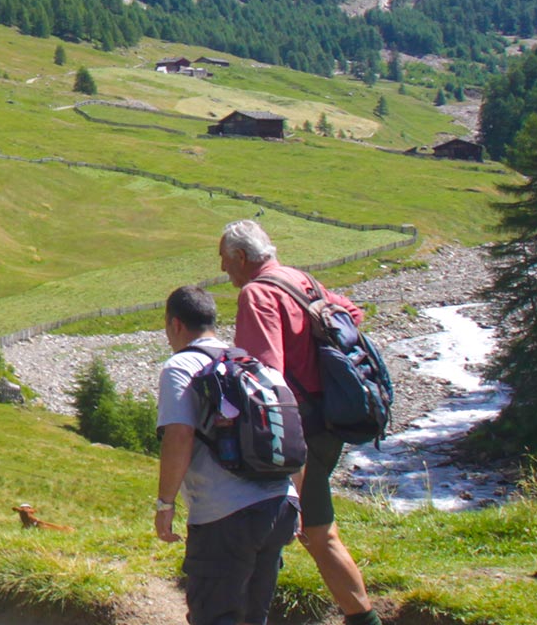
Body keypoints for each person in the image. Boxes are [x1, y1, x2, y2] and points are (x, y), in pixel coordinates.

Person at [222, 220, 381, 625]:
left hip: (298, 432)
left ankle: (362, 618)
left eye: (224, 260)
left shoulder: (256, 293)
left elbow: (265, 374)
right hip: (330, 419)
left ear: (241, 257)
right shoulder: (300, 279)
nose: (224, 271)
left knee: (302, 529)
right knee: (308, 527)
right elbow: (352, 314)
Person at [156, 283, 299, 625]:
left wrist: (165, 504)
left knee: (214, 615)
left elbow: (179, 434)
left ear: (175, 324)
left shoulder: (180, 367)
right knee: (254, 616)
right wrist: (299, 503)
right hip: (281, 505)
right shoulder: (257, 366)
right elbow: (294, 437)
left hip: (225, 514)